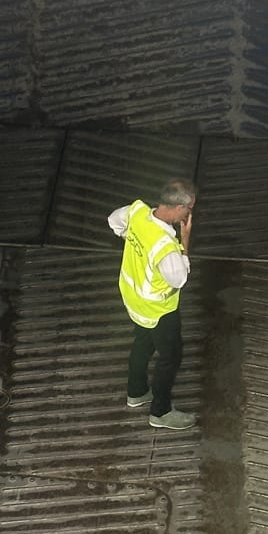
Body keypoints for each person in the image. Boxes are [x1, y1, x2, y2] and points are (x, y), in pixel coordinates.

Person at [108, 178, 197, 430]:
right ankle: (160, 411)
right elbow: (179, 278)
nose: (190, 213)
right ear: (180, 208)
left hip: (134, 300)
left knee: (142, 342)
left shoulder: (136, 212)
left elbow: (114, 221)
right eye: (190, 209)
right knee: (170, 356)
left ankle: (136, 393)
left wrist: (131, 239)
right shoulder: (166, 245)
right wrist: (185, 241)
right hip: (159, 310)